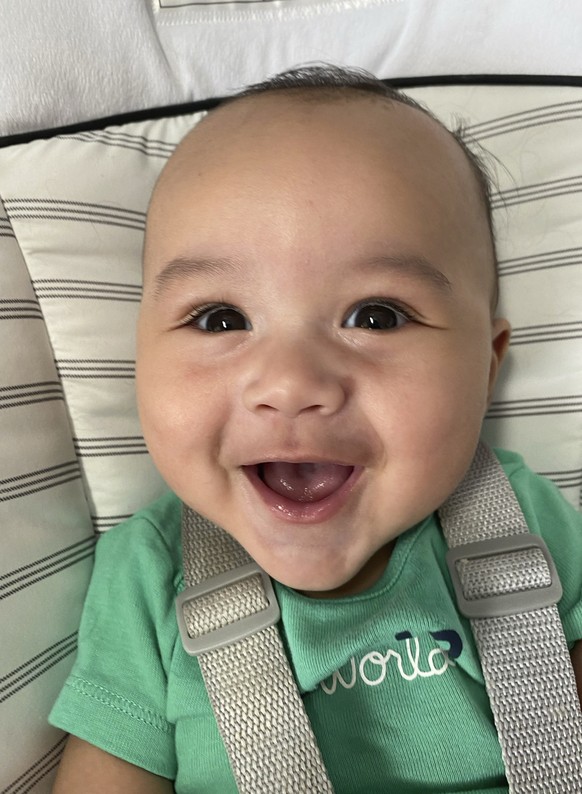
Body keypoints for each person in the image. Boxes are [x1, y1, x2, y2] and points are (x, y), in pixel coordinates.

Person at [49, 65, 582, 793]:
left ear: (485, 369)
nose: (291, 384)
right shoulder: (150, 574)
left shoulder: (524, 519)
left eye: (377, 316)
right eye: (219, 319)